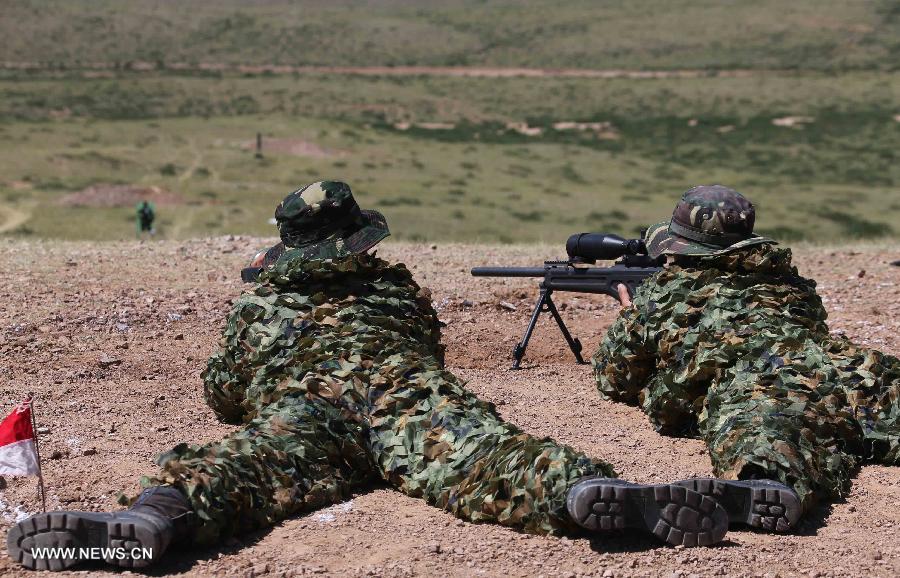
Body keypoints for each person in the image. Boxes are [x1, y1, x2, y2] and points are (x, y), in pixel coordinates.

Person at [8, 182, 743, 572]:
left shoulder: (263, 300)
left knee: (241, 465)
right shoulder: (395, 292)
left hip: (308, 406)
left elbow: (225, 395)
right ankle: (582, 491)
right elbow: (430, 356)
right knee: (489, 453)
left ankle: (152, 517)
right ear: (360, 238)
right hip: (404, 393)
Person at [594, 184, 900, 532]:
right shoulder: (789, 282)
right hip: (838, 365)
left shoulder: (666, 290)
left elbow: (616, 378)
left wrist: (630, 316)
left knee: (768, 419)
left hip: (754, 376)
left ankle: (762, 483)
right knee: (878, 393)